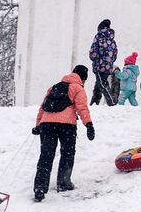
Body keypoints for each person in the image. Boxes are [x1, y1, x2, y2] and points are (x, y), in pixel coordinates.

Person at [31, 64, 94, 202]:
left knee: (46, 155)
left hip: (47, 124)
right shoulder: (78, 88)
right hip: (67, 126)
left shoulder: (54, 87)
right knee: (67, 153)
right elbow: (82, 108)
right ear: (83, 78)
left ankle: (40, 187)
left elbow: (43, 107)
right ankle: (64, 183)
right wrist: (88, 124)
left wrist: (38, 125)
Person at [88, 19, 119, 105]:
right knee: (98, 85)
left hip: (99, 65)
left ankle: (112, 102)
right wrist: (109, 62)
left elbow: (93, 52)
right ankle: (94, 104)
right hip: (108, 66)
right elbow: (115, 54)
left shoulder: (99, 36)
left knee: (102, 84)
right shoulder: (112, 40)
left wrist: (94, 58)